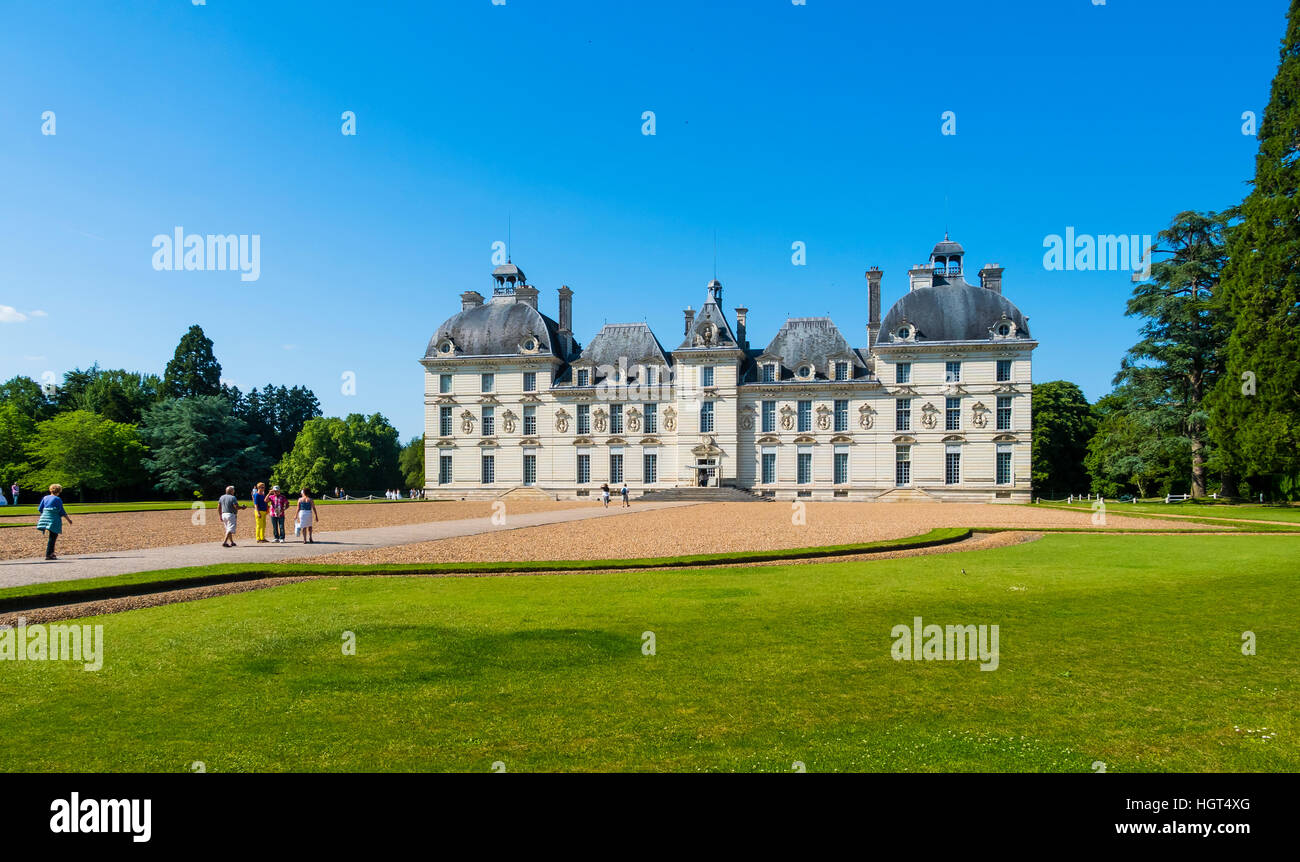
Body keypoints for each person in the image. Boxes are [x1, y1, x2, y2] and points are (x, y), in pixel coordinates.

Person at [36, 484, 71, 560]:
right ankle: (49, 554)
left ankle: (51, 553)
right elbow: (62, 511)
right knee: (53, 537)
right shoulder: (58, 499)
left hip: (45, 518)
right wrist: (69, 520)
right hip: (54, 519)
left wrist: (45, 515)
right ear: (59, 491)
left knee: (51, 537)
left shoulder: (45, 498)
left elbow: (40, 509)